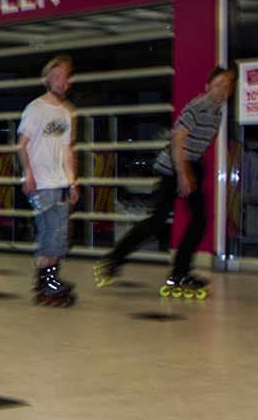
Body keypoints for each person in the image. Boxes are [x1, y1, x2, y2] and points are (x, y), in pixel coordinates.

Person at [95, 67, 237, 296]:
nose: (223, 89)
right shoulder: (198, 106)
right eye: (219, 83)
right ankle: (112, 259)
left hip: (190, 165)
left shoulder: (217, 114)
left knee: (199, 220)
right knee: (157, 220)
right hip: (173, 166)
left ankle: (179, 272)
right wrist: (183, 174)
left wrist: (193, 170)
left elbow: (196, 145)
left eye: (227, 86)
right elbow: (177, 139)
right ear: (208, 85)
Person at [18, 55, 78, 305]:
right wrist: (28, 175)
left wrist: (72, 182)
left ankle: (52, 278)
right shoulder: (35, 108)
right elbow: (22, 145)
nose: (61, 80)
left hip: (60, 182)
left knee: (61, 235)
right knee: (48, 231)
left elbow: (67, 150)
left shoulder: (66, 112)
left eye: (64, 76)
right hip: (41, 183)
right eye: (56, 76)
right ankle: (44, 280)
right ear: (46, 80)